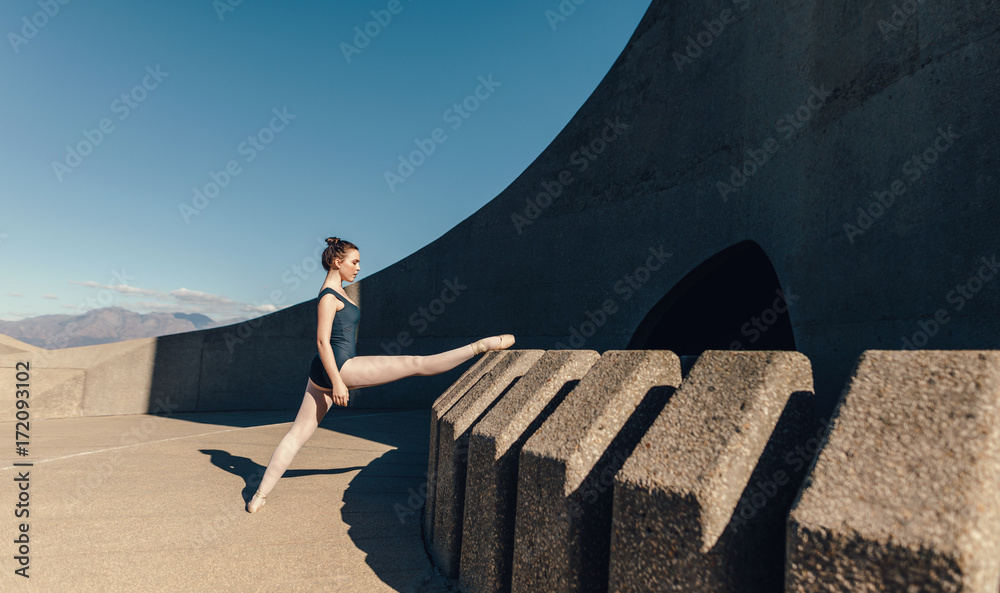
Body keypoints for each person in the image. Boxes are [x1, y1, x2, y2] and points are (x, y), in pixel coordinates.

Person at [247, 237, 514, 512]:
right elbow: (321, 341)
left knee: (296, 435)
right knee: (416, 364)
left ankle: (259, 497)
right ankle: (480, 346)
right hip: (338, 368)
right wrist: (338, 382)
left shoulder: (338, 290)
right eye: (354, 262)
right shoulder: (328, 296)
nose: (359, 268)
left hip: (323, 371)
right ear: (337, 262)